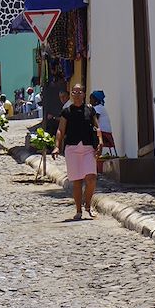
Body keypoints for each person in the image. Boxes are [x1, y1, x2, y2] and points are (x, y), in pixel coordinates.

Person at [53, 84, 103, 220]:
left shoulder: (90, 110)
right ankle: (78, 210)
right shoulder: (67, 111)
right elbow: (60, 130)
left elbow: (97, 127)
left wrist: (100, 141)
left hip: (88, 148)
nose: (77, 94)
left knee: (91, 178)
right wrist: (57, 146)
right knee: (77, 181)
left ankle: (88, 205)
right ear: (71, 95)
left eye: (79, 91)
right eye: (74, 92)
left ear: (83, 94)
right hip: (72, 149)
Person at [90, 90, 116, 156]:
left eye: (91, 99)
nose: (90, 101)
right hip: (105, 132)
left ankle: (92, 155)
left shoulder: (98, 108)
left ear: (96, 100)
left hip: (103, 133)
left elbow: (94, 120)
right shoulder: (100, 108)